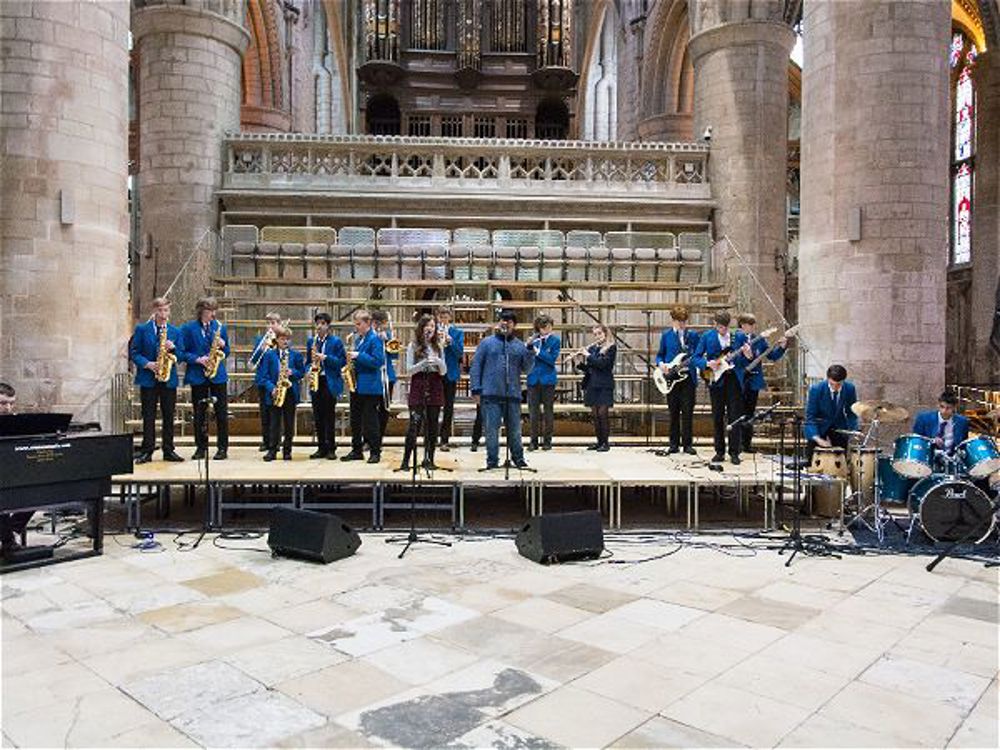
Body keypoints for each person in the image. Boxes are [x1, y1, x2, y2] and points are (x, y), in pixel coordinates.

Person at [470, 310, 535, 470]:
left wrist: (530, 351)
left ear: (514, 325)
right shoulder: (486, 343)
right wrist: (476, 389)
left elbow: (527, 369)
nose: (505, 323)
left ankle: (518, 458)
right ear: (499, 323)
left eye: (509, 321)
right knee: (492, 430)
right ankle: (492, 461)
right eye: (503, 321)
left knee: (515, 430)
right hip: (490, 394)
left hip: (512, 394)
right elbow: (476, 366)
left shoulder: (520, 346)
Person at [129, 297, 185, 463]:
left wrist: (173, 348)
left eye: (166, 310)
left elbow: (181, 356)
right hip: (148, 378)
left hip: (168, 379)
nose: (163, 314)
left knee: (168, 415)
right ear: (154, 311)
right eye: (160, 310)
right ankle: (147, 450)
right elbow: (134, 353)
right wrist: (147, 364)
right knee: (148, 416)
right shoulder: (142, 329)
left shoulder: (175, 331)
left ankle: (168, 450)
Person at [694, 312, 748, 465]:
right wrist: (707, 363)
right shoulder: (707, 336)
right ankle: (719, 451)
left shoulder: (738, 337)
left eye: (725, 327)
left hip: (733, 379)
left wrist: (748, 355)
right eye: (719, 327)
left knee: (734, 416)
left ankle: (734, 452)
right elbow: (696, 357)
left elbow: (745, 359)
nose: (722, 330)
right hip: (716, 379)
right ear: (715, 324)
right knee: (717, 416)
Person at [181, 297, 230, 461]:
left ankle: (222, 448)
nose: (213, 315)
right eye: (210, 311)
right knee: (199, 413)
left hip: (218, 376)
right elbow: (182, 352)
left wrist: (223, 345)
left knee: (221, 413)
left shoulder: (220, 327)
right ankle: (201, 448)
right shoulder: (188, 328)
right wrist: (197, 359)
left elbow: (227, 352)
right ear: (201, 311)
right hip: (198, 375)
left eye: (215, 311)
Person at [400, 315, 447, 471]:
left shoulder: (438, 346)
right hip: (419, 384)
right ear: (421, 328)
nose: (430, 328)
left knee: (432, 426)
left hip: (435, 385)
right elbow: (408, 369)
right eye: (427, 326)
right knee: (414, 425)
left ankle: (429, 458)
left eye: (432, 326)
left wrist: (438, 362)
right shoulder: (413, 346)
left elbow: (444, 371)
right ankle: (406, 460)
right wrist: (423, 363)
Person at [340, 310, 386, 464]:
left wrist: (358, 355)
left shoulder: (375, 339)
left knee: (370, 421)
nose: (356, 327)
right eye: (355, 324)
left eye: (359, 324)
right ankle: (356, 450)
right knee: (355, 420)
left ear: (367, 323)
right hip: (357, 385)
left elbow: (377, 361)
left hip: (370, 386)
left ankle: (375, 451)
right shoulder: (359, 339)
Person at [737, 314, 787, 453]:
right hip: (739, 380)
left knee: (750, 412)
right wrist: (744, 356)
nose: (752, 327)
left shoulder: (759, 340)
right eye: (749, 325)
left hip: (753, 381)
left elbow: (772, 356)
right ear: (742, 325)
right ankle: (737, 444)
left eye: (753, 325)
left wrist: (782, 347)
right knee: (738, 412)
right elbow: (732, 358)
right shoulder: (736, 338)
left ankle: (746, 445)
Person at [655, 305, 700, 455]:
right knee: (673, 412)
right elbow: (660, 355)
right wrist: (661, 365)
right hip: (671, 378)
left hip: (688, 378)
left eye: (684, 322)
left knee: (688, 412)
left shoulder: (692, 335)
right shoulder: (666, 335)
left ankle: (687, 444)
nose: (682, 325)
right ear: (673, 321)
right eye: (679, 321)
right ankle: (673, 444)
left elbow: (699, 354)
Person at [259, 327, 305, 461]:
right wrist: (272, 388)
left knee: (289, 423)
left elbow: (301, 372)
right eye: (282, 339)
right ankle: (272, 450)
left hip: (290, 392)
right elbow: (263, 377)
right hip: (275, 392)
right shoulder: (269, 355)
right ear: (277, 340)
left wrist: (293, 372)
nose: (285, 341)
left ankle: (287, 450)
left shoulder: (295, 355)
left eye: (287, 339)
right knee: (274, 423)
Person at [306, 313, 346, 459]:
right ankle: (321, 447)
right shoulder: (312, 341)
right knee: (318, 416)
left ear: (328, 326)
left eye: (322, 323)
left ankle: (331, 448)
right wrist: (309, 370)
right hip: (316, 380)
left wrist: (326, 358)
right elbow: (307, 362)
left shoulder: (336, 342)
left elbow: (342, 362)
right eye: (317, 323)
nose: (319, 326)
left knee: (329, 416)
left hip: (329, 381)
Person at [0, 383, 33, 557]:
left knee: (38, 493)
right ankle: (8, 541)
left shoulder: (15, 423)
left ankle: (10, 532)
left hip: (10, 473)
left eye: (11, 403)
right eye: (3, 403)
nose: (8, 408)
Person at [575, 324, 617, 452]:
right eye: (595, 334)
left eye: (599, 333)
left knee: (602, 414)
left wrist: (587, 355)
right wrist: (578, 363)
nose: (597, 336)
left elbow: (603, 365)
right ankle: (599, 442)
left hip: (604, 384)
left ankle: (605, 443)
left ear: (605, 333)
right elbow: (590, 368)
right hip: (592, 383)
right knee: (595, 415)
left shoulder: (611, 347)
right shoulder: (593, 348)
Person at [804, 364, 859, 460]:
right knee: (813, 458)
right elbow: (810, 417)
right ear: (828, 379)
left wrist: (853, 430)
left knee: (841, 459)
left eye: (839, 385)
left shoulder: (850, 388)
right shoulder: (816, 389)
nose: (835, 388)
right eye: (832, 384)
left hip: (839, 425)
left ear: (843, 381)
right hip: (820, 424)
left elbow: (851, 412)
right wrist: (817, 438)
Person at [526, 315, 561, 451]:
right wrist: (528, 347)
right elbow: (527, 357)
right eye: (544, 327)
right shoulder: (534, 340)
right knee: (533, 412)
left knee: (548, 412)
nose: (547, 329)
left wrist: (538, 351)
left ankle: (547, 441)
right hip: (533, 379)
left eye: (549, 326)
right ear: (539, 328)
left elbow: (551, 359)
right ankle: (533, 441)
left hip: (548, 380)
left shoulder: (555, 341)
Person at [250, 312, 283, 451]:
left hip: (276, 380)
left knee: (276, 412)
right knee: (264, 412)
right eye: (268, 323)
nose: (270, 326)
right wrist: (262, 348)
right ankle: (265, 440)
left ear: (279, 324)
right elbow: (253, 360)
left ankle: (276, 441)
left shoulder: (282, 338)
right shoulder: (260, 339)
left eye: (273, 323)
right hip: (263, 379)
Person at [436, 306, 465, 451]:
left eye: (446, 316)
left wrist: (450, 341)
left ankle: (444, 439)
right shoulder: (433, 331)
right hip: (435, 372)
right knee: (433, 406)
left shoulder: (457, 332)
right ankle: (431, 437)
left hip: (450, 373)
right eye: (441, 316)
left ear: (450, 317)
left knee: (448, 407)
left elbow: (460, 352)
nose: (443, 319)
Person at [912, 390, 969, 456]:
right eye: (942, 407)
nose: (944, 411)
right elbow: (916, 441)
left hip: (951, 459)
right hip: (929, 457)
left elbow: (963, 445)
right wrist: (932, 441)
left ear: (954, 408)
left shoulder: (962, 422)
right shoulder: (923, 419)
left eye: (948, 408)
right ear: (938, 404)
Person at [371, 310, 398, 439]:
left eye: (381, 323)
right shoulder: (368, 336)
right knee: (370, 409)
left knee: (384, 408)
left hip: (387, 376)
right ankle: (369, 438)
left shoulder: (388, 335)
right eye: (376, 323)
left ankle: (379, 437)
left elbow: (395, 355)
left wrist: (388, 341)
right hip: (372, 376)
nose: (378, 326)